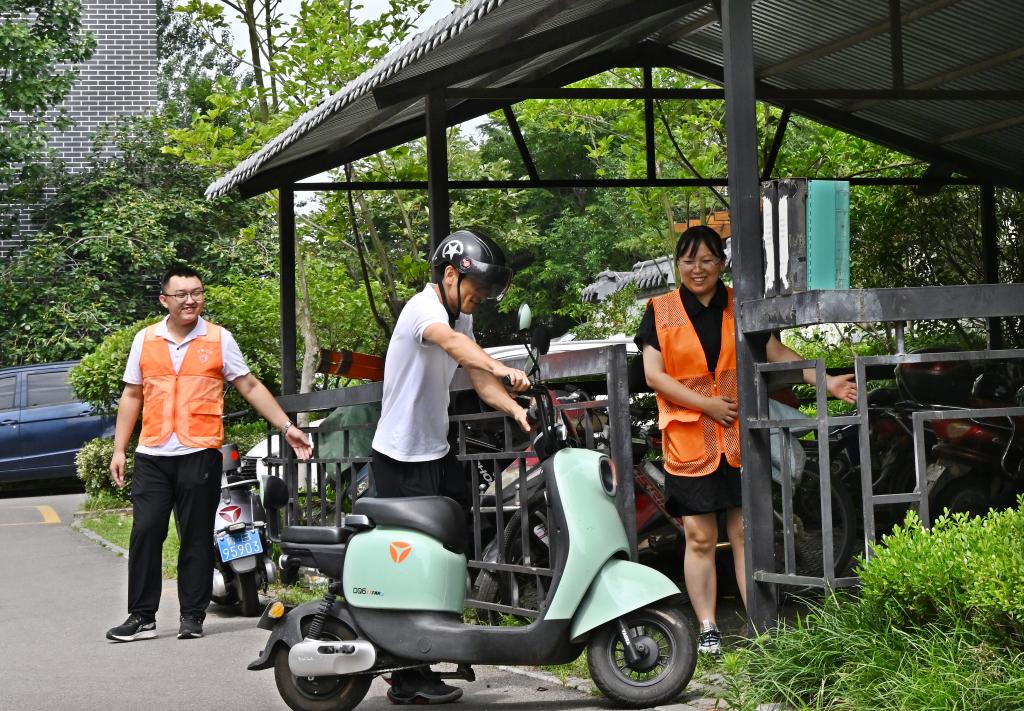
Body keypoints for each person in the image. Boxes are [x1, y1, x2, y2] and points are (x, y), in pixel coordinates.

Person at [635, 225, 856, 655]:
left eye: (706, 260)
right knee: (700, 538)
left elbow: (777, 354)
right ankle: (708, 628)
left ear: (722, 264)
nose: (697, 269)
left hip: (740, 440)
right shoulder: (660, 310)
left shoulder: (741, 306)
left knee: (744, 532)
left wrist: (826, 380)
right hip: (690, 442)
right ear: (678, 265)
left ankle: (761, 626)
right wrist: (706, 405)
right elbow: (654, 376)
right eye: (688, 260)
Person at [105, 265, 312, 643]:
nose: (191, 300)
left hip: (199, 450)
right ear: (164, 300)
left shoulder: (219, 338)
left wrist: (287, 427)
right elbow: (132, 394)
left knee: (197, 535)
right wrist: (120, 449)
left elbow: (249, 385)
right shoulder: (145, 339)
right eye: (181, 294)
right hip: (153, 453)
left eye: (197, 293)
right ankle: (142, 616)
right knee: (146, 530)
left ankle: (192, 615)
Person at [371, 228, 531, 705]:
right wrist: (501, 366)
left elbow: (479, 380)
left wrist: (515, 409)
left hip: (435, 454)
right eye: (476, 289)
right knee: (409, 562)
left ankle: (435, 642)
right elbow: (454, 347)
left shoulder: (462, 317)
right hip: (400, 457)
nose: (479, 299)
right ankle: (406, 675)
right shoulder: (423, 309)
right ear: (449, 275)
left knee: (451, 544)